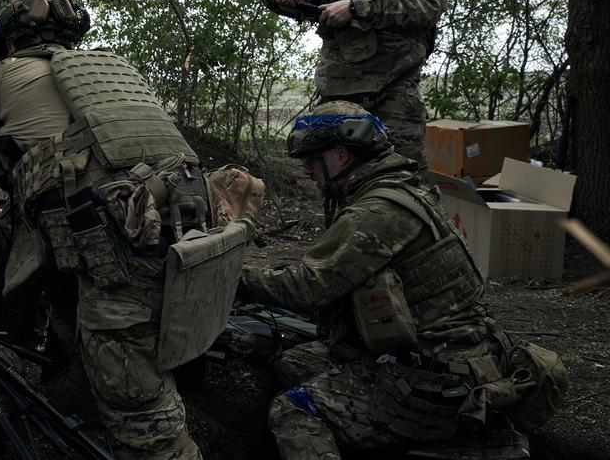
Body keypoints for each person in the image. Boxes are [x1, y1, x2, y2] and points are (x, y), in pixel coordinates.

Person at [0, 0, 213, 460]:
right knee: (85, 310)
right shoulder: (113, 72)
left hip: (114, 239)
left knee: (147, 430)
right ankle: (98, 379)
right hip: (189, 213)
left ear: (8, 45)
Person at [239, 102, 566, 460]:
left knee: (294, 411)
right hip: (453, 361)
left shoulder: (378, 211)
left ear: (340, 155)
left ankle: (463, 436)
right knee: (296, 363)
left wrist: (237, 278)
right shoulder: (405, 189)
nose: (305, 168)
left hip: (433, 382)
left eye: (311, 158)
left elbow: (308, 287)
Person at [263, 0, 445, 169]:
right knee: (335, 181)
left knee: (401, 180)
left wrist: (356, 7)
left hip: (391, 100)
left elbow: (427, 5)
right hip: (337, 99)